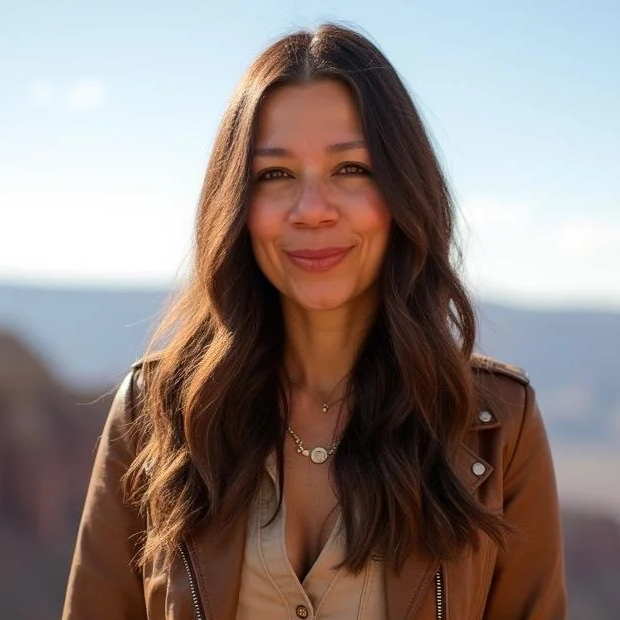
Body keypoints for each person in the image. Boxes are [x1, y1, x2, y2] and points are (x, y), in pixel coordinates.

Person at [62, 23, 566, 620]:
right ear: (237, 207)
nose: (312, 211)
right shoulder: (156, 415)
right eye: (275, 175)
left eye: (350, 168)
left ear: (404, 189)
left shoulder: (495, 425)